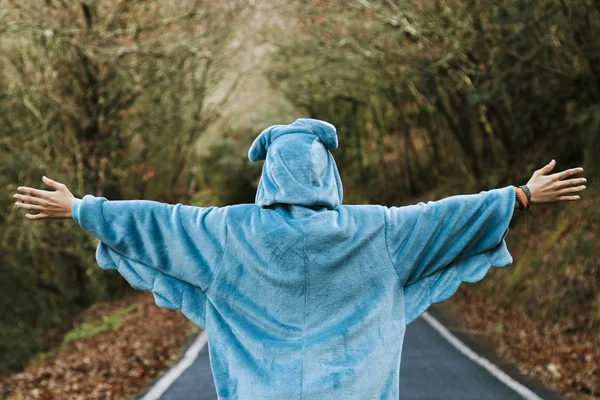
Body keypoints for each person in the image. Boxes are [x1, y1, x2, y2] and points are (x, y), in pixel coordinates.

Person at [13, 118, 587, 399]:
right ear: (328, 173)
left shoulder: (230, 233)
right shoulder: (375, 231)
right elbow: (443, 216)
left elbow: (157, 220)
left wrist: (81, 208)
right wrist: (521, 196)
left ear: (267, 176)